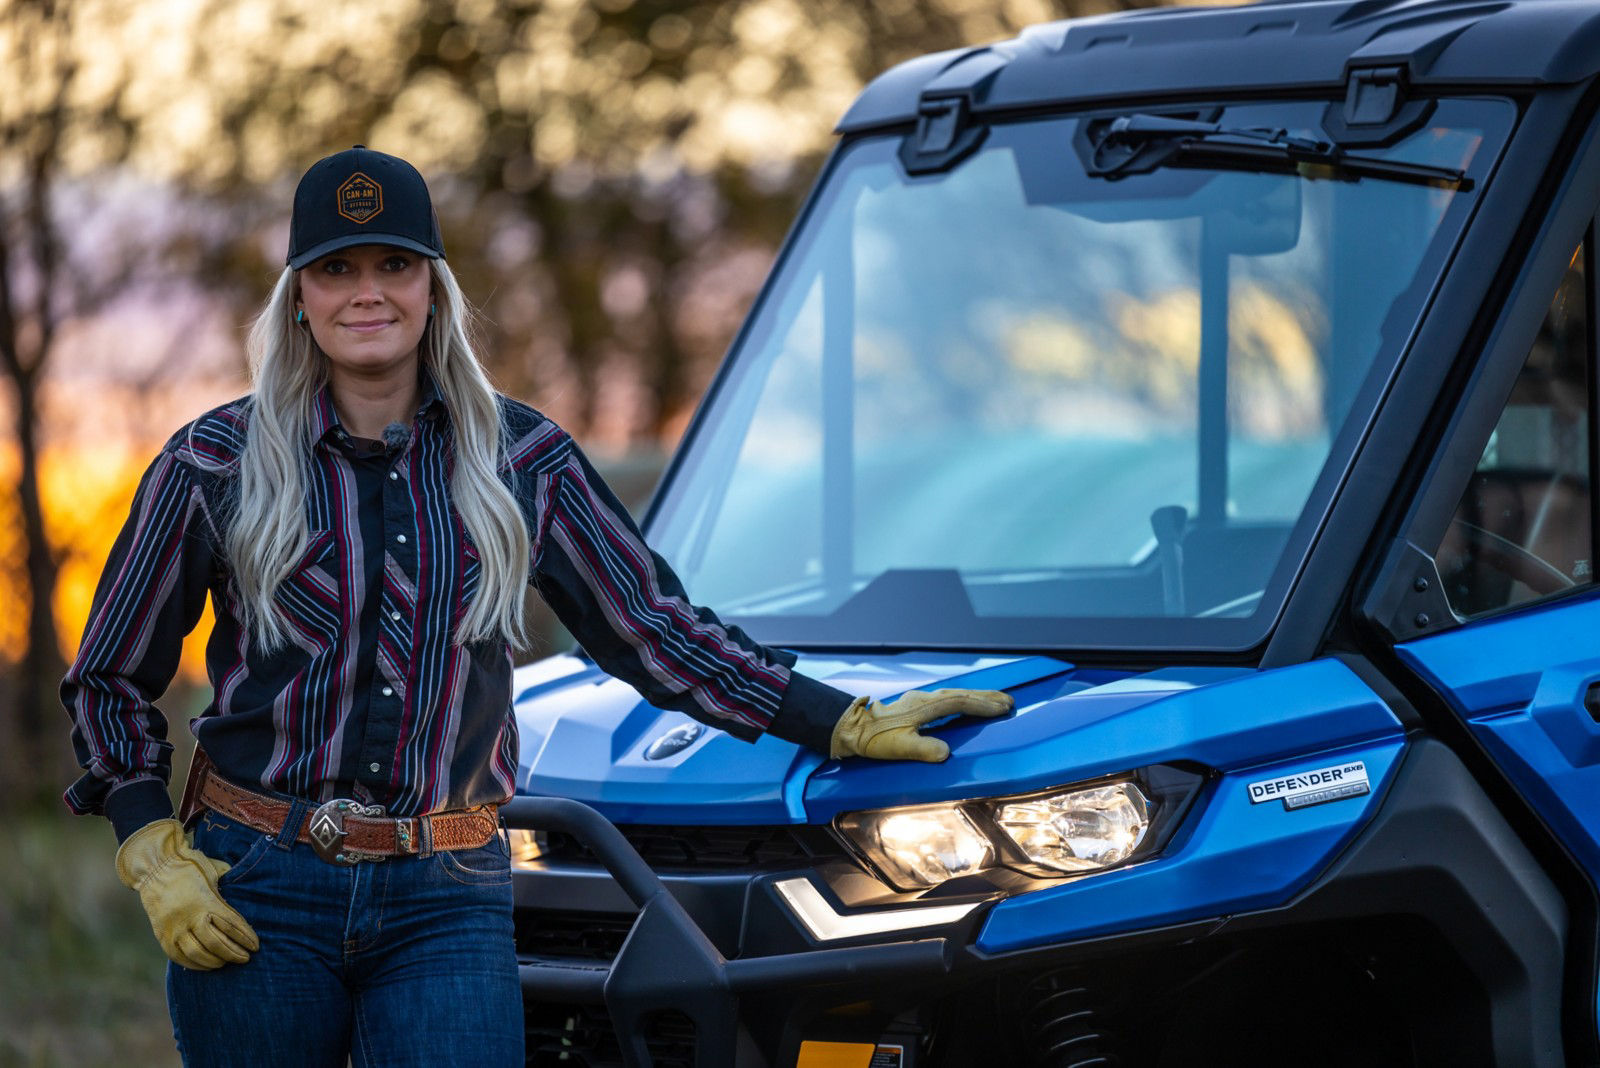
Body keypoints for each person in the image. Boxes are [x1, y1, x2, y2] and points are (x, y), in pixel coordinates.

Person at [60, 146, 1013, 1067]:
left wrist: (834, 717)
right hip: (257, 882)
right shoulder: (212, 463)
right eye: (335, 268)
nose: (368, 292)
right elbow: (109, 674)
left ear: (433, 288)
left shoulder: (524, 459)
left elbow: (653, 629)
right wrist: (150, 842)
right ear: (298, 299)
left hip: (447, 893)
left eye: (395, 264)